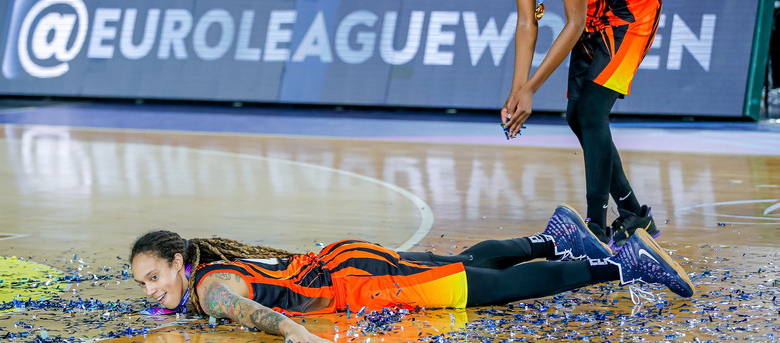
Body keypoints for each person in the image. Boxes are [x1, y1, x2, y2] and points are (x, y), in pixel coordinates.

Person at [131, 205, 694, 343]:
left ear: (181, 263)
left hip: (360, 283)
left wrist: (293, 332)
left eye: (156, 276)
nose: (153, 291)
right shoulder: (207, 269)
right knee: (461, 264)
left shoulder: (208, 287)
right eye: (144, 285)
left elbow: (246, 309)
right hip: (344, 259)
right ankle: (554, 236)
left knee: (487, 291)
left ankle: (619, 262)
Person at [500, 0, 665, 248]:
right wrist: (517, 92)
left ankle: (595, 227)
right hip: (595, 12)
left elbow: (572, 24)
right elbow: (527, 22)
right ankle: (634, 213)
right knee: (576, 116)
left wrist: (532, 88)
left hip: (632, 8)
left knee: (591, 111)